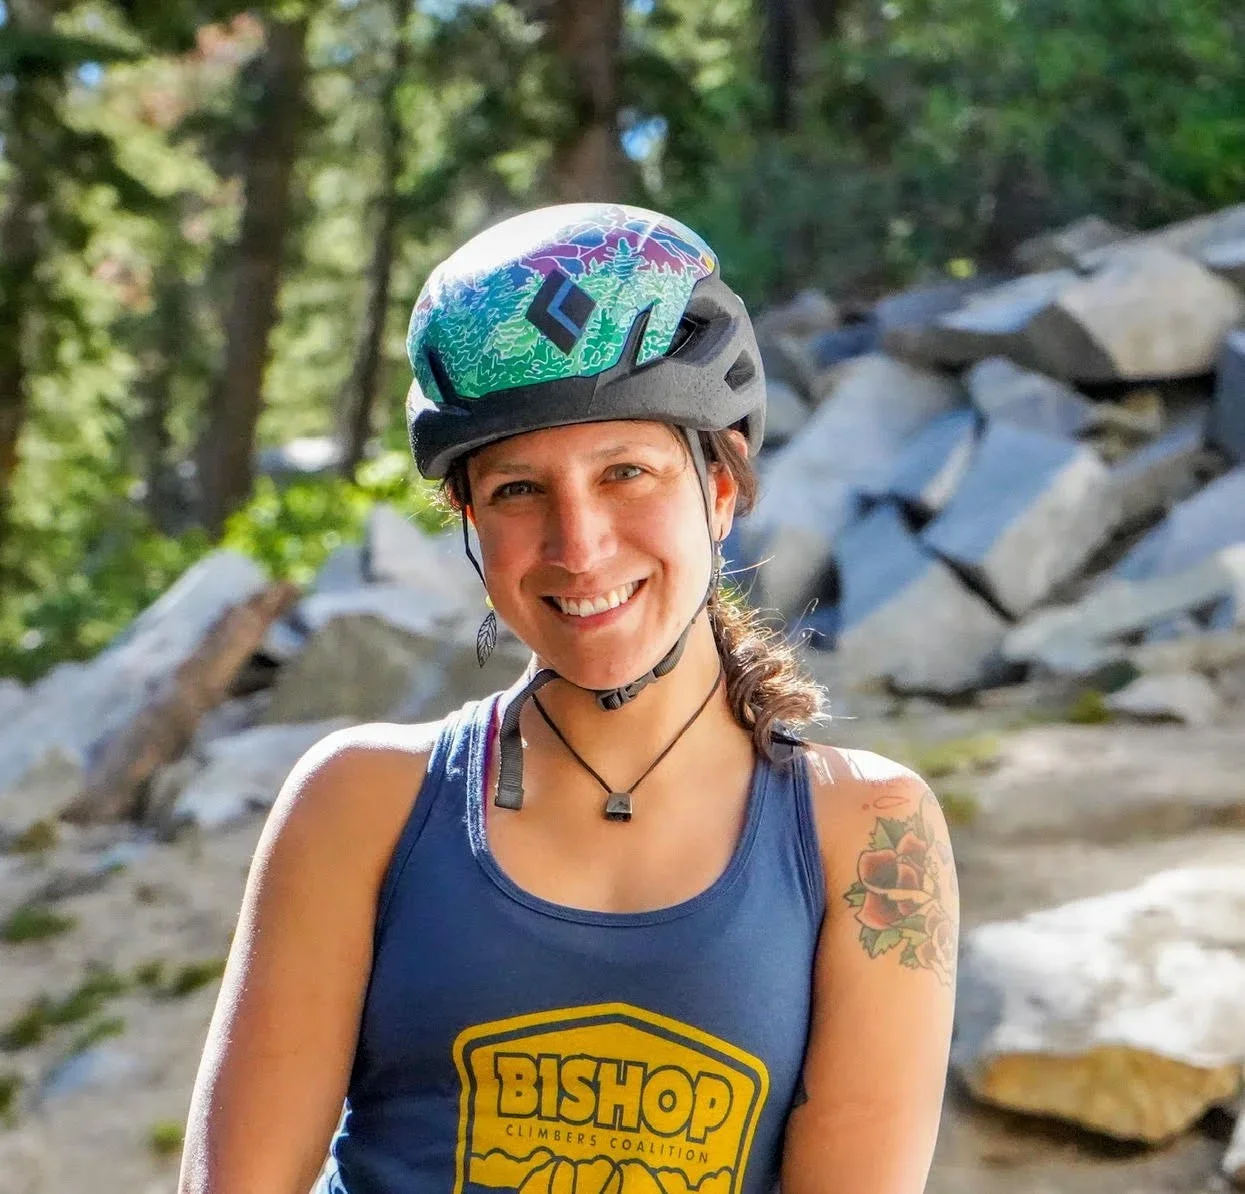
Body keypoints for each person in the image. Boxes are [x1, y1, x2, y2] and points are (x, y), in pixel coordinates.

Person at [178, 203, 959, 1194]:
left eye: (626, 473)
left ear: (719, 489)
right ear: (467, 516)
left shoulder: (871, 834)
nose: (579, 545)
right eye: (516, 491)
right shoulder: (358, 802)